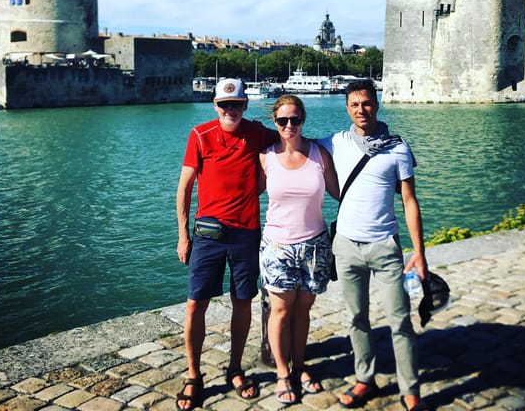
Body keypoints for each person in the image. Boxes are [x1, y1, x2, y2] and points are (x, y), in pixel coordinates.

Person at [318, 79, 429, 411]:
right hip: (346, 246)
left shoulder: (398, 148)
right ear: (347, 109)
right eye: (354, 105)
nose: (360, 110)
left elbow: (410, 202)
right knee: (356, 319)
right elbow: (295, 143)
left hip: (385, 246)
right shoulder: (336, 142)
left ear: (376, 105)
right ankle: (364, 378)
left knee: (400, 321)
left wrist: (419, 254)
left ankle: (410, 389)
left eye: (366, 103)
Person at [175, 78, 278, 410]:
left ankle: (235, 368)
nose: (230, 110)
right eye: (224, 105)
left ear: (245, 105)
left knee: (242, 303)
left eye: (236, 104)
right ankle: (193, 375)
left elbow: (292, 140)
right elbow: (185, 188)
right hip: (208, 235)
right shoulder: (200, 135)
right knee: (195, 305)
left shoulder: (259, 133)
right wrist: (183, 235)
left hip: (246, 233)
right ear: (215, 106)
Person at [258, 95, 339, 405]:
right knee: (279, 311)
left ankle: (301, 364)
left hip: (315, 247)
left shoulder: (320, 155)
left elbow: (339, 191)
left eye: (295, 119)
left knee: (302, 311)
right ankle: (282, 371)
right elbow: (245, 191)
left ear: (303, 119)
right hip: (277, 247)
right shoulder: (265, 157)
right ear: (275, 123)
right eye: (282, 121)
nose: (289, 125)